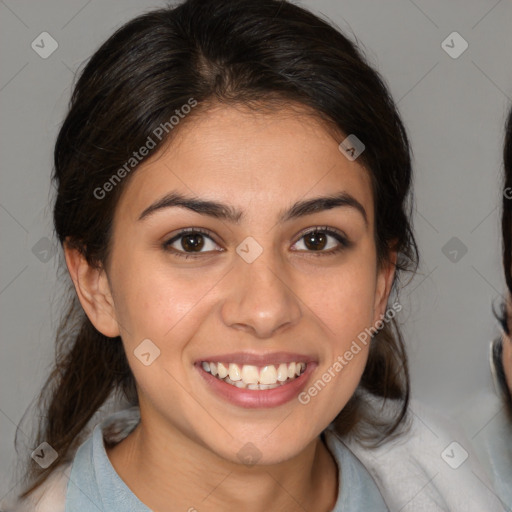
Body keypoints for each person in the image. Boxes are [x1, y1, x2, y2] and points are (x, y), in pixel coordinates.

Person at [0, 0, 504, 510]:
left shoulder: (465, 480)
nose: (265, 310)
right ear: (96, 283)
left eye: (317, 240)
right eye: (192, 242)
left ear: (381, 279)